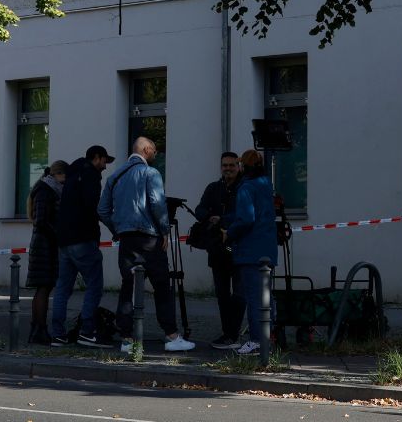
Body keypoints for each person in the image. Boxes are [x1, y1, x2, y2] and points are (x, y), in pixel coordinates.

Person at [98, 136, 195, 353]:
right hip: (150, 238)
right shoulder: (151, 173)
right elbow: (158, 204)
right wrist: (164, 232)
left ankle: (127, 339)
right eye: (155, 150)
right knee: (162, 287)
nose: (156, 154)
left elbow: (102, 210)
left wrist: (118, 229)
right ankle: (172, 336)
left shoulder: (115, 176)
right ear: (147, 149)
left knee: (128, 286)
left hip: (127, 240)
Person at [49, 145, 114, 347]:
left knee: (63, 287)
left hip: (64, 239)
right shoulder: (90, 176)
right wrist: (114, 227)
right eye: (104, 161)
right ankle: (87, 331)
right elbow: (94, 207)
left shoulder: (72, 173)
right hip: (83, 238)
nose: (105, 166)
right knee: (94, 284)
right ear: (96, 158)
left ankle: (58, 334)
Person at [223, 149, 277, 356]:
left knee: (254, 298)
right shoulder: (265, 184)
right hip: (267, 248)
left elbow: (246, 219)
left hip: (250, 250)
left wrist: (229, 232)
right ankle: (267, 338)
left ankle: (256, 341)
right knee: (266, 297)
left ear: (244, 166)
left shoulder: (246, 186)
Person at [193, 151, 244, 349]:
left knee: (239, 294)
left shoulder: (244, 188)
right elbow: (199, 209)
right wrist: (210, 216)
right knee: (222, 294)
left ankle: (233, 334)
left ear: (239, 166)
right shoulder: (213, 188)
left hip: (239, 248)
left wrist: (222, 219)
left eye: (232, 165)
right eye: (225, 165)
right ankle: (227, 333)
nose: (228, 169)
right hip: (217, 249)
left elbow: (244, 214)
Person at [25, 160, 67, 345]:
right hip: (44, 246)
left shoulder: (46, 189)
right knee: (43, 288)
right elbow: (41, 220)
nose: (65, 183)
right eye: (65, 178)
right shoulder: (45, 191)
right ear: (58, 174)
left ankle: (37, 328)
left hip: (43, 244)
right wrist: (58, 235)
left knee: (44, 288)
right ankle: (39, 330)